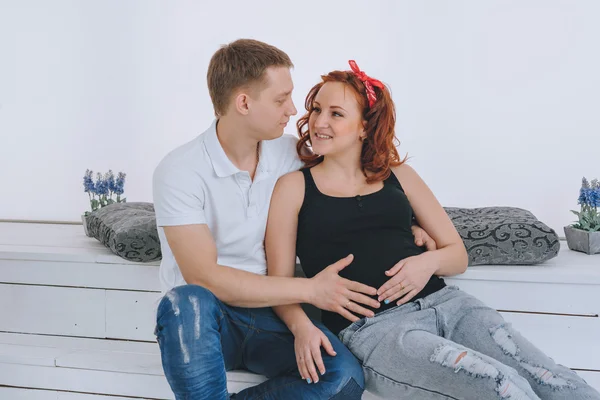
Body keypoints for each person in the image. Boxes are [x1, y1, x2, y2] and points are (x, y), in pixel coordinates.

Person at [265, 60, 600, 400]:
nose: (319, 122)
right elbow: (278, 283)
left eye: (336, 114)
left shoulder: (400, 176)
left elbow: (457, 255)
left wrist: (425, 263)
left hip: (449, 304)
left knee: (550, 377)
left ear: (364, 127)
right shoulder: (293, 187)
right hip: (377, 330)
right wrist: (302, 327)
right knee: (501, 385)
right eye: (317, 109)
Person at [152, 39, 435, 399]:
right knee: (187, 300)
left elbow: (352, 190)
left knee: (344, 378)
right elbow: (206, 278)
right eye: (280, 98)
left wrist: (404, 224)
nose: (294, 109)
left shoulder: (290, 154)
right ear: (243, 103)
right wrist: (311, 290)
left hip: (270, 315)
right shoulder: (180, 171)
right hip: (203, 323)